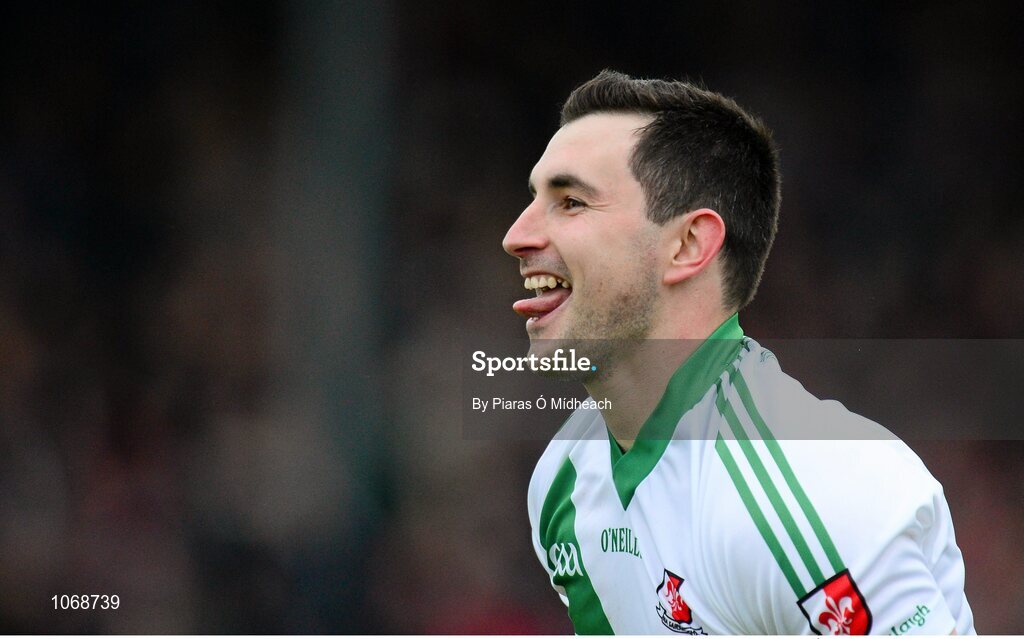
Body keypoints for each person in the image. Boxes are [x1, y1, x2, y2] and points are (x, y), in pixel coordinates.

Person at [502, 70, 974, 635]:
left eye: (571, 201)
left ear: (688, 245)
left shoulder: (813, 493)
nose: (516, 236)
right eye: (534, 199)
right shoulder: (563, 482)